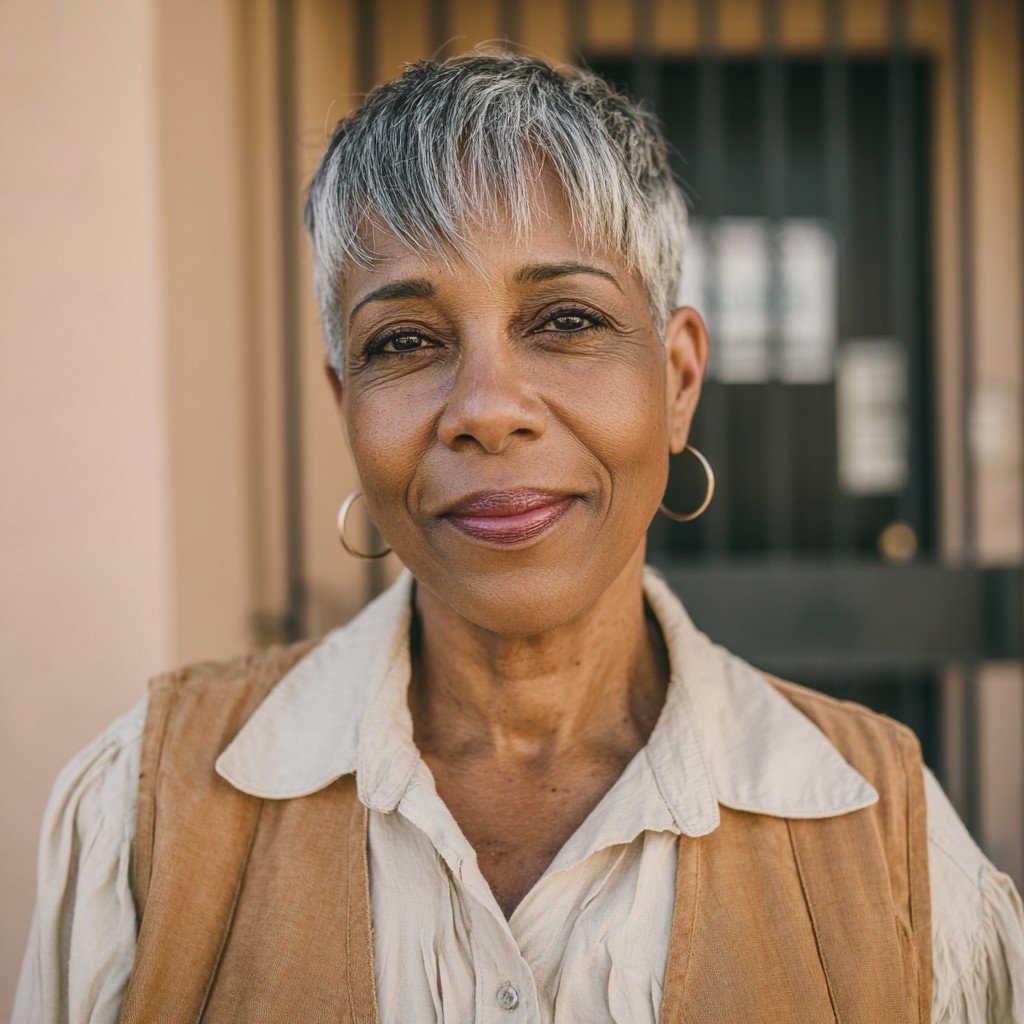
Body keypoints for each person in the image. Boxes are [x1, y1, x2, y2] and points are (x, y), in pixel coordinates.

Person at [13, 52, 1024, 1024]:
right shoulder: (142, 816)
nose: (487, 410)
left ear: (677, 381)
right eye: (404, 341)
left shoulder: (885, 838)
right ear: (346, 405)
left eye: (566, 321)